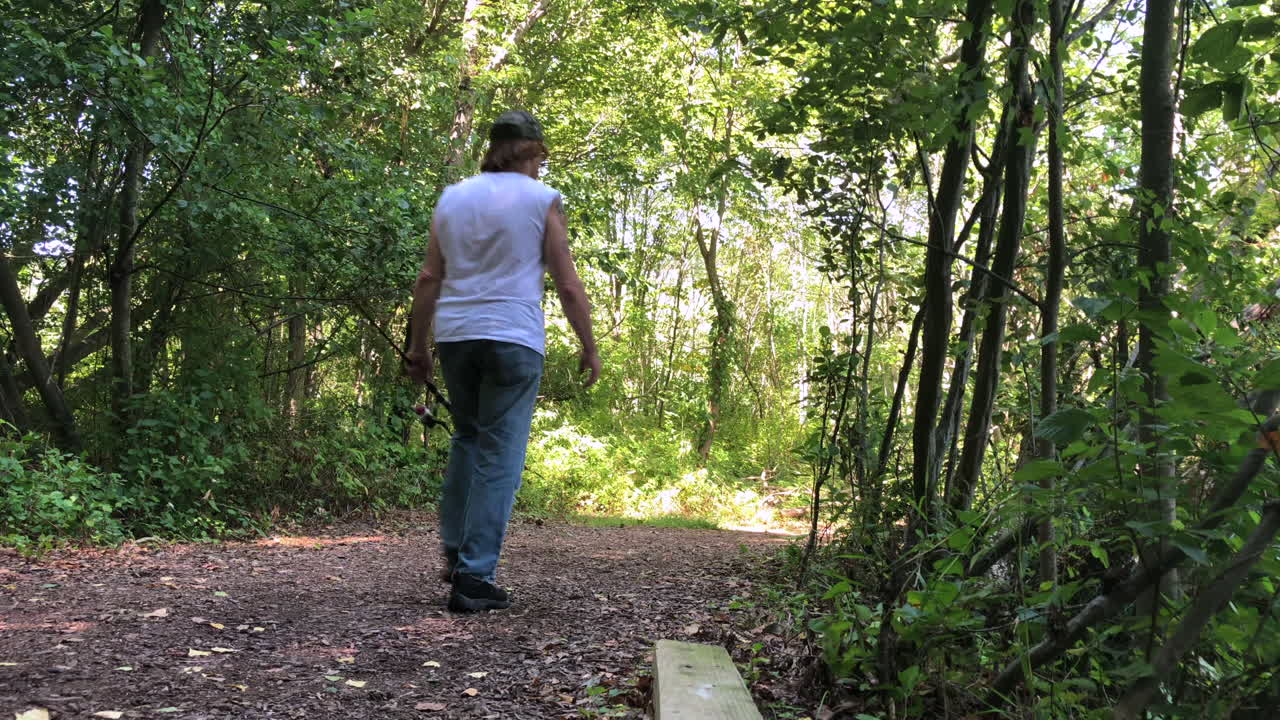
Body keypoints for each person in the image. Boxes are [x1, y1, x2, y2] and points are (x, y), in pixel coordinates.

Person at [405, 110, 600, 612]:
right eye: (540, 159)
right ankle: (474, 577)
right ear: (532, 153)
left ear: (492, 150)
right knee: (500, 455)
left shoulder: (452, 197)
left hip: (457, 337)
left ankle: (455, 554)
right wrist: (589, 344)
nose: (540, 168)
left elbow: (429, 278)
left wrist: (417, 345)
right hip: (513, 338)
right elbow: (567, 282)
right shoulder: (542, 199)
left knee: (468, 438)